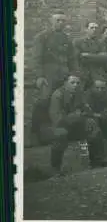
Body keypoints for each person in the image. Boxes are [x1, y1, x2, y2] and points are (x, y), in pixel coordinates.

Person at [49, 74, 107, 173]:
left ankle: (97, 161)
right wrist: (76, 115)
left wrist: (91, 114)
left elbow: (86, 109)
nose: (75, 85)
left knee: (92, 125)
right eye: (72, 83)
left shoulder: (79, 94)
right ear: (65, 83)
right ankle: (55, 167)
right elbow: (57, 118)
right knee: (60, 134)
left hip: (76, 125)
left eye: (78, 83)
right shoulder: (57, 95)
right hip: (61, 125)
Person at [31, 13, 76, 144]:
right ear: (51, 21)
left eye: (63, 20)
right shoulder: (42, 37)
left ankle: (58, 134)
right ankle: (35, 134)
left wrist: (73, 74)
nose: (60, 23)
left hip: (64, 75)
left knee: (62, 102)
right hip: (48, 76)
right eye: (58, 20)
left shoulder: (67, 39)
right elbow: (36, 59)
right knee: (43, 101)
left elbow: (72, 59)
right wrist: (39, 76)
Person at [73, 22, 107, 89]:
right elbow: (78, 58)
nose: (94, 30)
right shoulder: (78, 42)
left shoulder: (101, 43)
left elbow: (105, 58)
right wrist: (97, 56)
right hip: (83, 74)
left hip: (97, 75)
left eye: (96, 28)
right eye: (92, 28)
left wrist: (88, 55)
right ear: (86, 29)